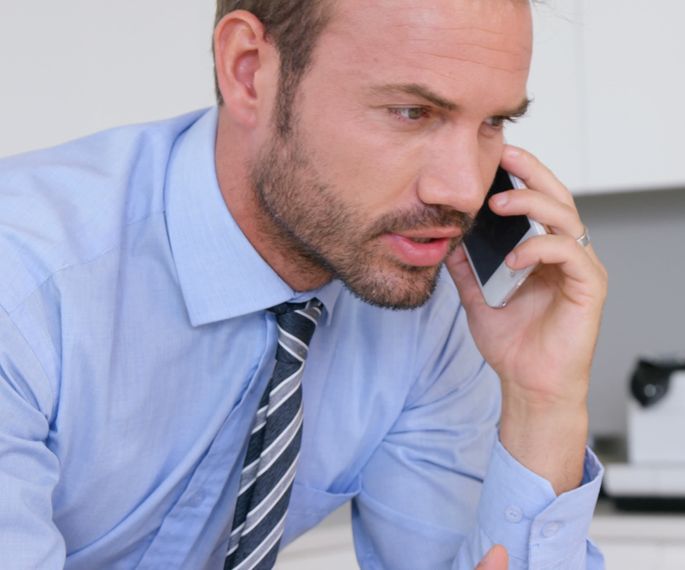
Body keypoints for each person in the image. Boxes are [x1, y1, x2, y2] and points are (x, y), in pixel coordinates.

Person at [0, 0, 607, 568]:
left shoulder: (425, 303)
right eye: (411, 112)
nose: (464, 191)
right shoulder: (24, 282)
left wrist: (542, 403)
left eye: (494, 121)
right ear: (249, 73)